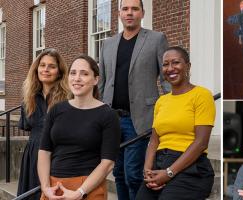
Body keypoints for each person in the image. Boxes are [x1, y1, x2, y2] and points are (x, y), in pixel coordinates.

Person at [98, 0, 170, 199]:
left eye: (135, 9)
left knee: (133, 173)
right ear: (119, 13)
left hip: (139, 118)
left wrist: (172, 108)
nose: (130, 13)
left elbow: (167, 78)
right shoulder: (108, 44)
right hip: (111, 119)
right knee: (118, 173)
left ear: (142, 13)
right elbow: (103, 81)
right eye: (125, 9)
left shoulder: (156, 39)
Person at [135, 46, 216, 200]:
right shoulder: (161, 101)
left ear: (188, 66)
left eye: (176, 62)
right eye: (165, 64)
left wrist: (169, 172)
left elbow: (201, 143)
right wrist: (147, 170)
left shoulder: (202, 95)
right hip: (159, 163)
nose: (170, 68)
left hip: (190, 167)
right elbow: (154, 141)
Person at [38, 55, 120, 200]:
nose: (77, 78)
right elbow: (44, 152)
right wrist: (46, 187)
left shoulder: (108, 115)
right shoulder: (56, 110)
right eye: (73, 73)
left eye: (84, 73)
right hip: (54, 188)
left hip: (88, 188)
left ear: (95, 79)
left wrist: (80, 192)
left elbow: (107, 163)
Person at [17, 48, 69, 199]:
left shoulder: (68, 98)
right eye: (42, 65)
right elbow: (26, 126)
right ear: (36, 69)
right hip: (33, 154)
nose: (46, 69)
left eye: (52, 66)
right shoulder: (28, 98)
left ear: (59, 72)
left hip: (58, 155)